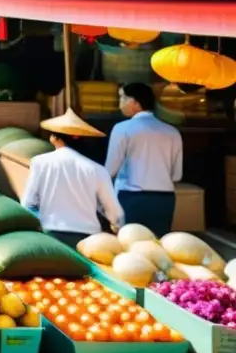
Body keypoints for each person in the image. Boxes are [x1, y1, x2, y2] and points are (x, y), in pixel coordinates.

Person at [21, 110, 124, 249]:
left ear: (54, 138)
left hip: (50, 234)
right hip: (89, 241)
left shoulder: (40, 163)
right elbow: (114, 213)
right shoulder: (97, 170)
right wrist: (119, 229)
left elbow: (27, 204)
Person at [105, 82, 183, 237]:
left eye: (122, 97)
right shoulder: (173, 132)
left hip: (132, 198)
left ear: (135, 102)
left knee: (132, 247)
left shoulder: (123, 128)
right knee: (159, 245)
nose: (120, 103)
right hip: (164, 200)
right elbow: (176, 176)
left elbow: (110, 170)